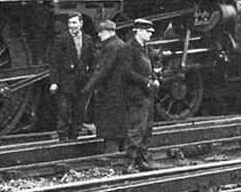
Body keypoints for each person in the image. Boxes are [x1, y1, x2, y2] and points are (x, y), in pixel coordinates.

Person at [47, 14, 97, 141]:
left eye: (74, 23)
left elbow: (93, 61)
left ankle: (74, 136)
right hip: (66, 82)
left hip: (82, 83)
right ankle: (63, 137)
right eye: (70, 23)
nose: (72, 26)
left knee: (79, 112)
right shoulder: (61, 39)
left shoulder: (88, 39)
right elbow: (54, 62)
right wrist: (54, 82)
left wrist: (91, 79)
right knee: (64, 112)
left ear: (81, 23)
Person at [83, 20, 127, 156]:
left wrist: (87, 87)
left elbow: (102, 69)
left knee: (110, 127)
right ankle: (119, 154)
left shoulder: (111, 46)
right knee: (118, 126)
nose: (99, 35)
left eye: (101, 32)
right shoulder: (119, 44)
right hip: (118, 91)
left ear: (109, 32)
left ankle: (112, 156)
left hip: (110, 92)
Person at [121, 18, 161, 171]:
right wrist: (146, 82)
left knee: (146, 129)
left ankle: (142, 160)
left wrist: (155, 78)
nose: (150, 34)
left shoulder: (144, 47)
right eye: (148, 32)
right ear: (138, 31)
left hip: (147, 94)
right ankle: (129, 163)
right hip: (136, 95)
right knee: (136, 130)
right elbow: (127, 72)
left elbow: (149, 68)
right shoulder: (129, 48)